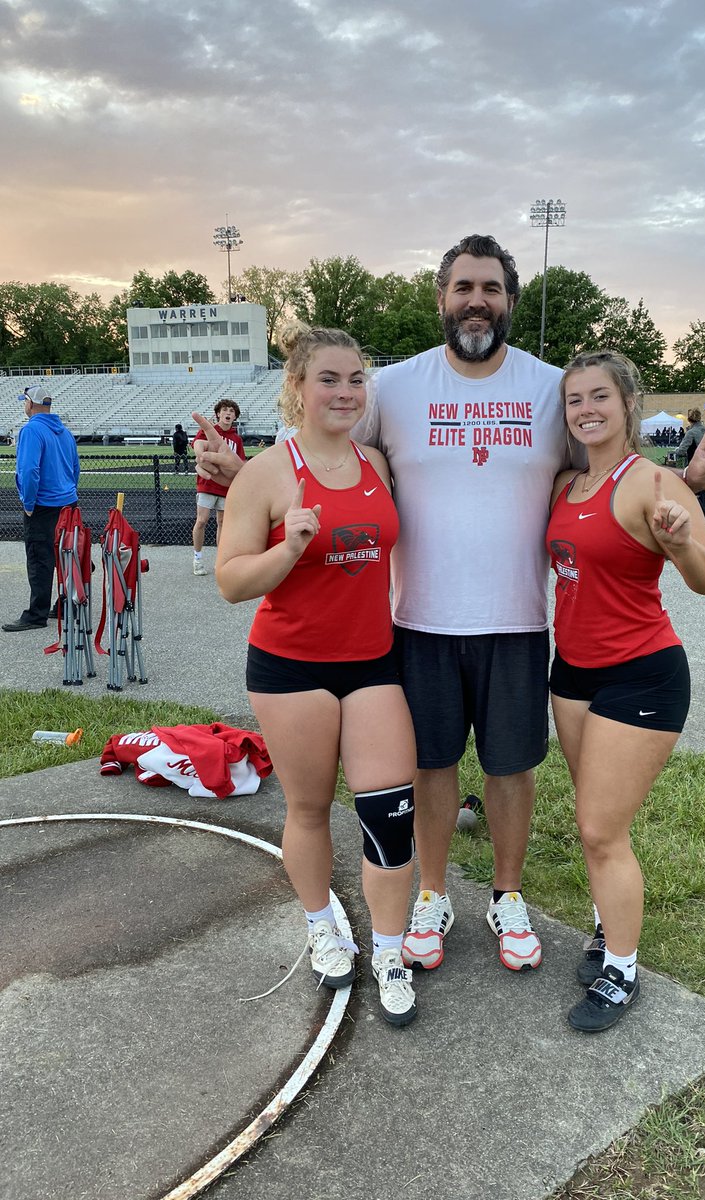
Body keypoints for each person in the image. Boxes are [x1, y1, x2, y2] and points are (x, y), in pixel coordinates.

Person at [195, 234, 705, 977]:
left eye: (490, 288)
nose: (476, 301)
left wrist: (689, 485)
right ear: (442, 299)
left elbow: (611, 473)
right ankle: (433, 894)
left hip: (516, 619)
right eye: (462, 288)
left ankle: (507, 895)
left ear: (510, 300)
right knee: (433, 766)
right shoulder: (397, 387)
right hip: (419, 621)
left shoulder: (553, 388)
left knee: (512, 768)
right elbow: (327, 438)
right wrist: (244, 470)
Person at [215, 322, 419, 1027]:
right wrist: (290, 549)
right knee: (307, 808)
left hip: (373, 663)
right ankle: (322, 927)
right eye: (328, 379)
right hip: (291, 667)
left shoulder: (377, 465)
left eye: (356, 378)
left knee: (391, 812)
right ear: (297, 388)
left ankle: (389, 950)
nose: (344, 391)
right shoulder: (269, 473)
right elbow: (233, 582)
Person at [547, 351, 705, 1031]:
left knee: (601, 828)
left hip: (642, 672)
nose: (586, 409)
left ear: (628, 403)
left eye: (600, 396)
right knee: (593, 820)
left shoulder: (654, 484)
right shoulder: (566, 483)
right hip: (571, 674)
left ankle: (622, 972)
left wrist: (681, 545)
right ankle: (604, 925)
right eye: (575, 400)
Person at [2, 385, 79, 633]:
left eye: (24, 401)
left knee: (39, 558)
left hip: (44, 505)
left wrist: (28, 503)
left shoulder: (32, 430)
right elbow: (75, 469)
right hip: (68, 501)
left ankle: (36, 614)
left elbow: (28, 471)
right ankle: (68, 603)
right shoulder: (64, 432)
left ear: (30, 404)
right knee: (66, 555)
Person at [191, 399, 245, 576]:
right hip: (207, 483)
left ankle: (220, 560)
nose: (228, 413)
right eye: (225, 410)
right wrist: (200, 455)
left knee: (222, 522)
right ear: (218, 414)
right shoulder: (208, 431)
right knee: (202, 520)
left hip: (226, 487)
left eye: (232, 411)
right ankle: (197, 558)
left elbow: (240, 462)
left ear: (235, 416)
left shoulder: (236, 439)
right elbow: (197, 447)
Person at [678, 409, 705, 521]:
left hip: (694, 464)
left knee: (691, 491)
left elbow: (682, 450)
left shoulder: (691, 432)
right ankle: (703, 515)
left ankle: (703, 515)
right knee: (702, 491)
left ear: (689, 419)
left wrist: (677, 451)